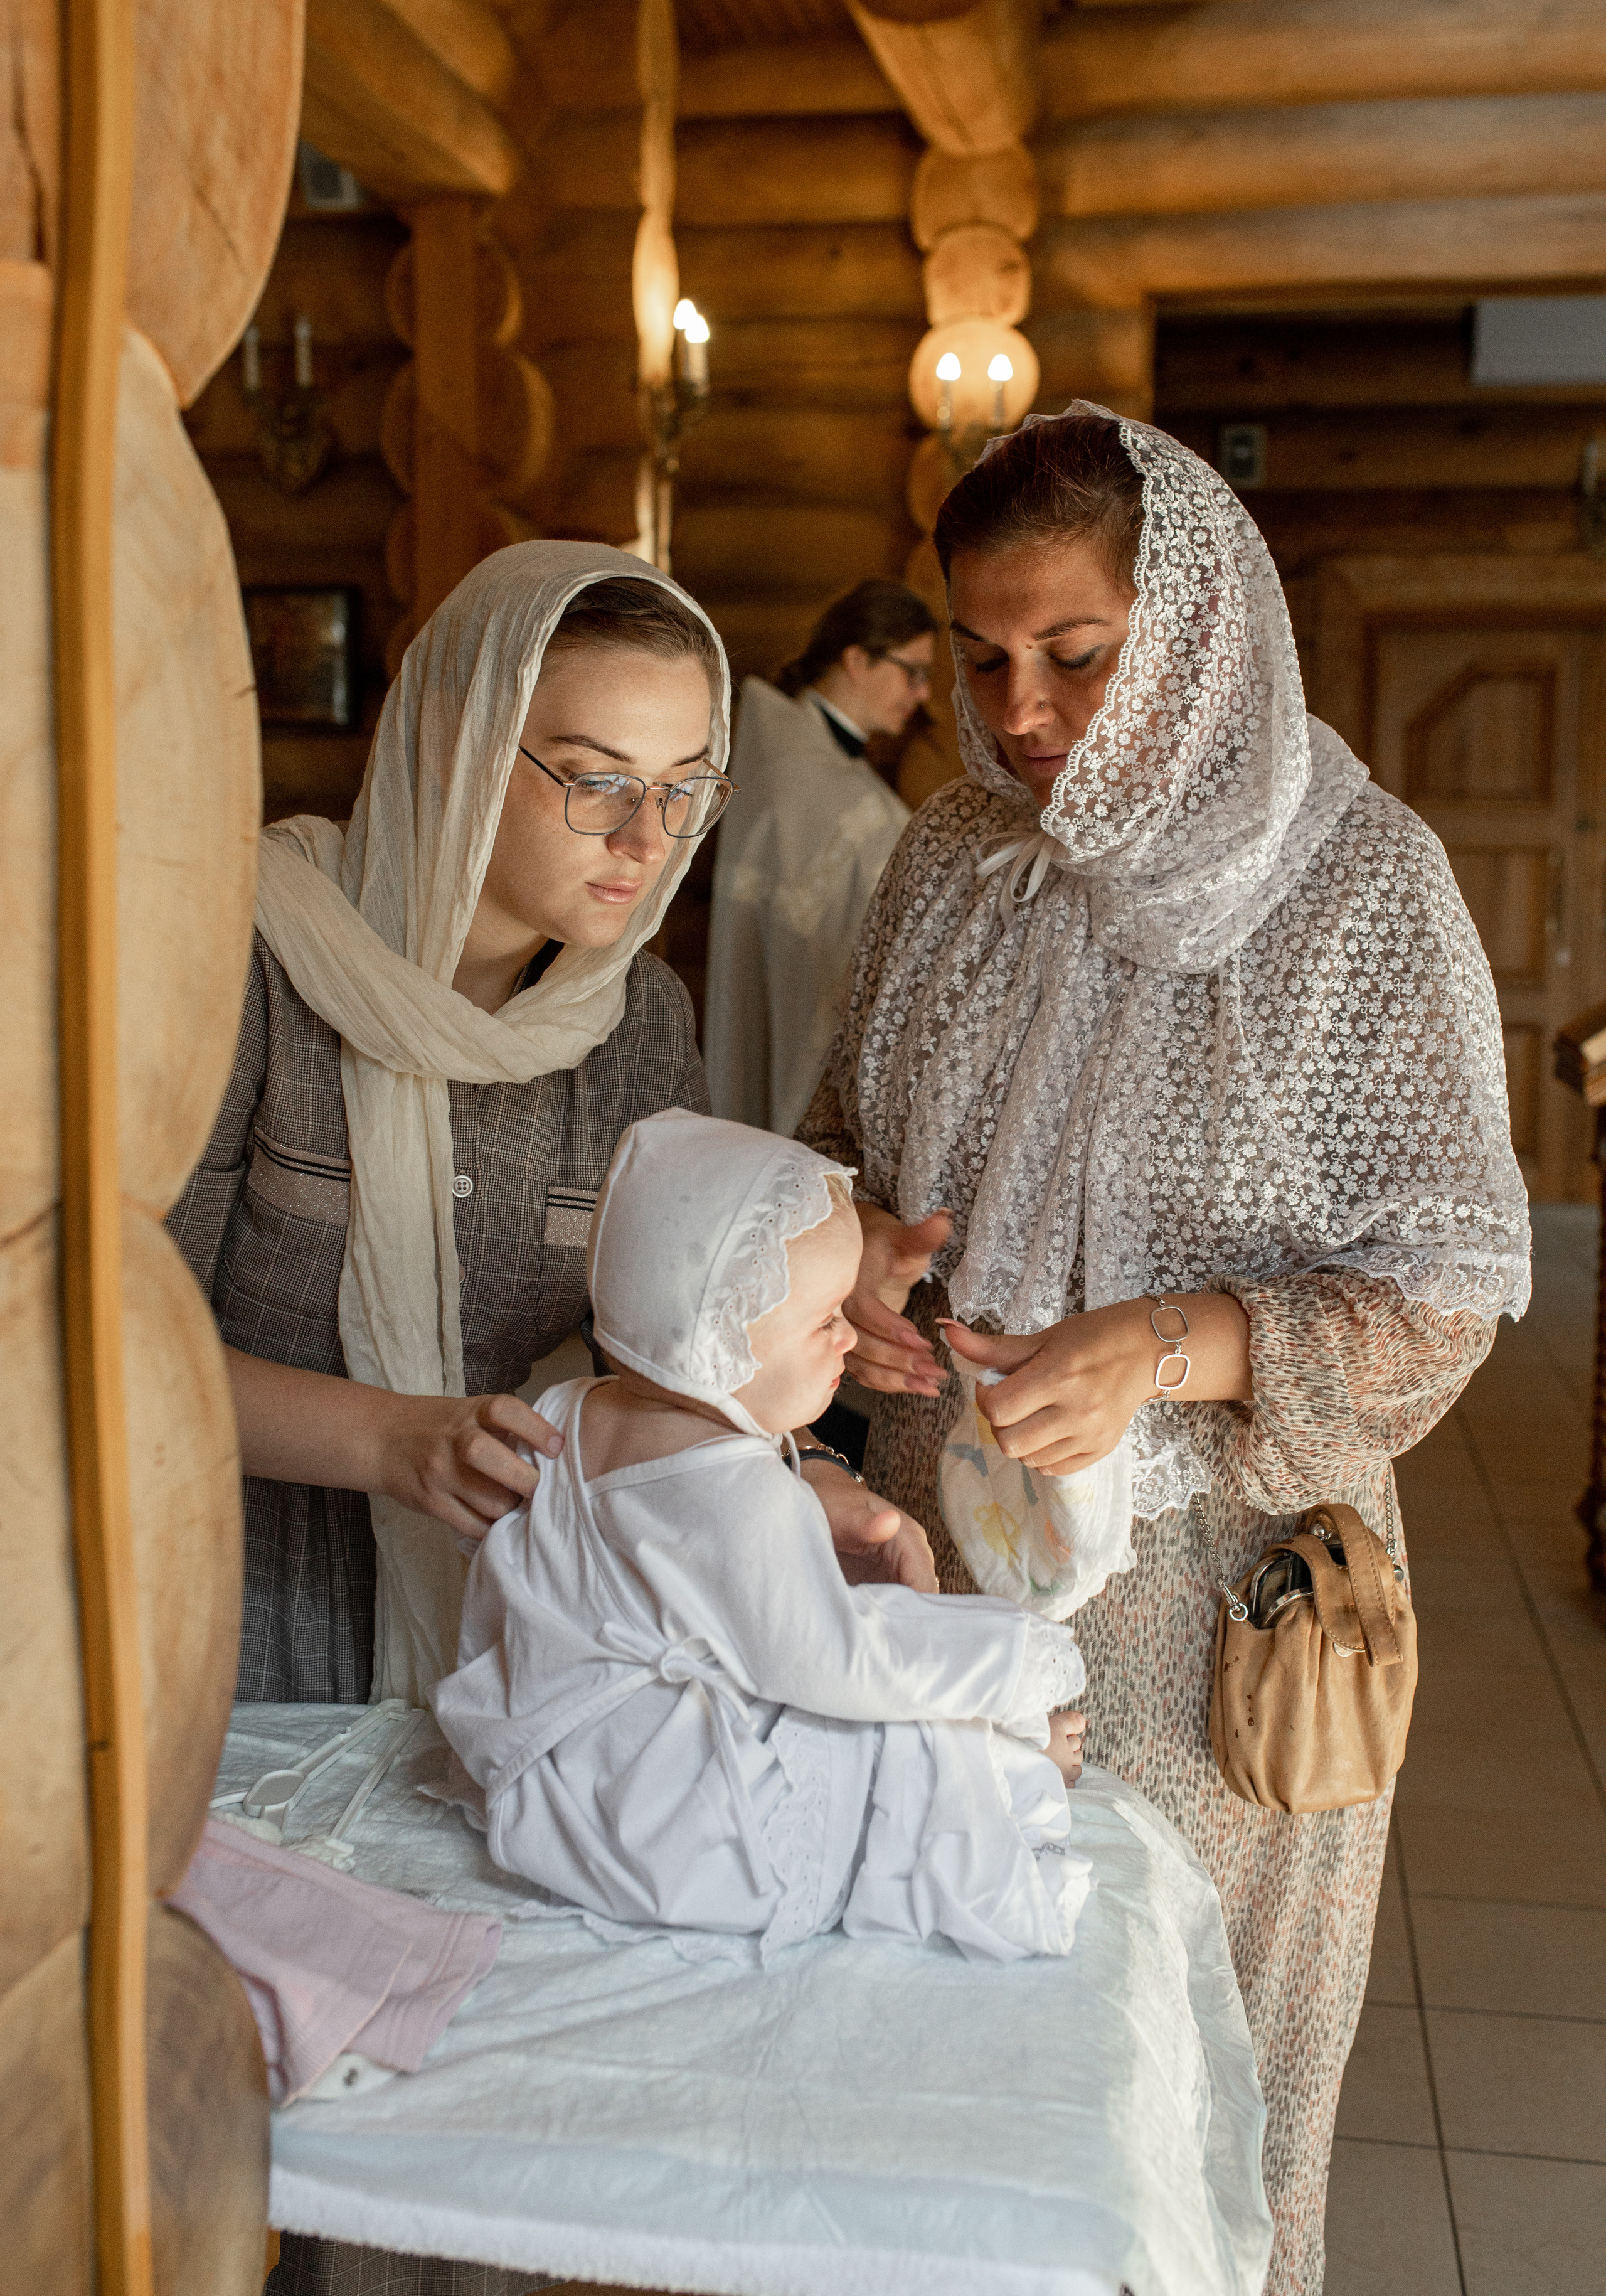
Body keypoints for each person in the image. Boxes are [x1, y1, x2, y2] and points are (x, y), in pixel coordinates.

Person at [798, 407, 1529, 2296]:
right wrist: (849, 1262)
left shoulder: (1357, 886)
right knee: (936, 2079)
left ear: (1195, 628)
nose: (1018, 710)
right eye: (980, 656)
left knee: (1175, 2104)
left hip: (1216, 1612)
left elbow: (1447, 1285)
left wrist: (1162, 1341)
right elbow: (838, 1140)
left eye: (1073, 651)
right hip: (936, 1577)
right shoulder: (951, 859)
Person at [170, 547, 933, 2296]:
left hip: (523, 1653)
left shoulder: (634, 1021)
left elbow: (652, 1357)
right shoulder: (239, 962)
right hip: (241, 1630)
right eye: (593, 778)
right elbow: (106, 1351)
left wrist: (788, 1448)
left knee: (484, 2137)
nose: (644, 837)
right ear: (453, 741)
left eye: (684, 788)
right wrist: (391, 1443)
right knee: (250, 2133)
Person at [433, 1109, 1092, 1966]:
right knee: (888, 1727)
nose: (849, 1337)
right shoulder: (739, 1490)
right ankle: (1019, 1761)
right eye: (825, 1320)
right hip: (669, 1825)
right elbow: (838, 1661)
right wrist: (1017, 1667)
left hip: (558, 1776)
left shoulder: (565, 1413)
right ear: (713, 1345)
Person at [704, 578, 934, 1135]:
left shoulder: (808, 753)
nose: (923, 693)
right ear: (857, 659)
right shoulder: (803, 770)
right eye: (913, 672)